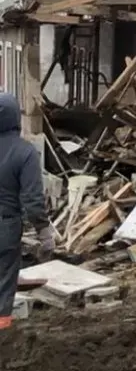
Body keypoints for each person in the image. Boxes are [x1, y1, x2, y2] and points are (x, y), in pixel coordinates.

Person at [0, 92, 54, 330]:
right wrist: (44, 233)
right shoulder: (25, 152)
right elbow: (32, 199)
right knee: (4, 279)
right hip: (6, 226)